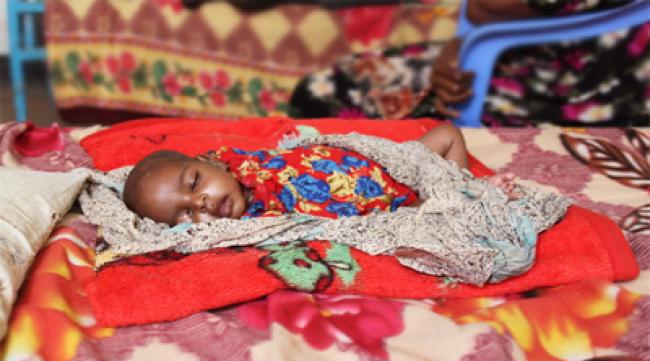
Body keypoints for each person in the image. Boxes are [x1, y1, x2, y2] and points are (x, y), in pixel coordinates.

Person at [289, 0, 649, 126]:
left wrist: (463, 48)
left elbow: (488, 8)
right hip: (617, 83)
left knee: (324, 90)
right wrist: (457, 48)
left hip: (558, 94)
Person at [122, 124, 517, 226]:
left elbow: (286, 149)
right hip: (396, 199)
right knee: (440, 212)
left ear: (212, 161)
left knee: (447, 135)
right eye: (187, 215)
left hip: (383, 162)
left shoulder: (232, 160)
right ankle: (466, 196)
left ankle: (463, 184)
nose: (201, 202)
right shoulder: (255, 222)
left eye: (194, 183)